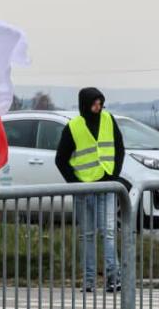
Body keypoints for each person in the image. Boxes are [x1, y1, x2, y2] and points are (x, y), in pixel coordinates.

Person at [55, 87, 126, 293]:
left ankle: (113, 278)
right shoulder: (73, 126)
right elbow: (61, 159)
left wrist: (114, 175)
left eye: (100, 102)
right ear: (85, 104)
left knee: (108, 233)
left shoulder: (108, 120)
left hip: (106, 185)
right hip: (84, 189)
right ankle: (89, 281)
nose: (99, 106)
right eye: (95, 103)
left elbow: (119, 148)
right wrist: (75, 182)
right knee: (87, 235)